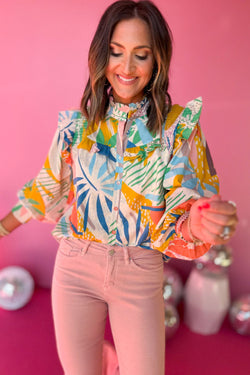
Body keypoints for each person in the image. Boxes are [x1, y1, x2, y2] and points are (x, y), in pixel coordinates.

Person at [0, 1, 238, 374]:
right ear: (101, 54)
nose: (126, 68)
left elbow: (186, 205)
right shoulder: (76, 128)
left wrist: (199, 223)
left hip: (139, 270)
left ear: (157, 60)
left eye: (140, 55)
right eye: (116, 52)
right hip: (75, 267)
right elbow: (46, 188)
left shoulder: (177, 129)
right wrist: (1, 229)